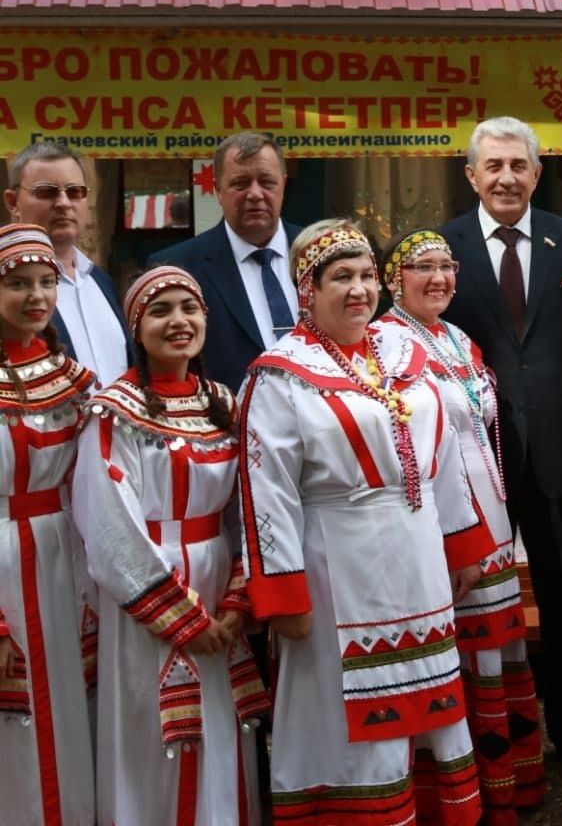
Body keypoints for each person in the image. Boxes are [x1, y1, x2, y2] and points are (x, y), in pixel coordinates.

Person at [238, 219, 494, 824]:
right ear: (308, 290)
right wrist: (282, 594)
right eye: (340, 278)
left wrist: (461, 546)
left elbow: (448, 457)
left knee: (427, 703)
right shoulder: (279, 374)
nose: (358, 290)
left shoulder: (406, 355)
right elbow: (264, 489)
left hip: (421, 558)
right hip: (337, 570)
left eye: (366, 276)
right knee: (346, 707)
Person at [440, 116, 562, 776]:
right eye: (494, 166)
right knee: (480, 603)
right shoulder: (443, 248)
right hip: (477, 461)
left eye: (519, 165)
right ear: (472, 176)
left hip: (561, 450)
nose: (507, 177)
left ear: (537, 173)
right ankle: (480, 742)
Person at [72, 266, 264, 825]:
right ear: (137, 327)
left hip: (218, 581)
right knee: (152, 727)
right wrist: (183, 617)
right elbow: (109, 525)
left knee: (223, 728)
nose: (178, 321)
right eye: (161, 311)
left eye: (189, 308)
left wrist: (234, 600)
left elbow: (243, 509)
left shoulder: (222, 403)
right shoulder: (115, 412)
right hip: (147, 598)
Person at [376, 228, 546, 823]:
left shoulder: (457, 338)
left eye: (447, 265)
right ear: (395, 278)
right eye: (424, 267)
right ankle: (455, 794)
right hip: (442, 515)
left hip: (491, 512)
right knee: (460, 650)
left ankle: (508, 784)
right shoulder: (384, 344)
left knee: (497, 649)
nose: (441, 277)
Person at [0, 223, 96, 825]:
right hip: (5, 564)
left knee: (70, 709)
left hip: (69, 561)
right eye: (17, 284)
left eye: (45, 283)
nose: (36, 296)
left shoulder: (75, 380)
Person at [150, 132, 301, 391]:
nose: (255, 194)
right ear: (218, 190)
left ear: (283, 185)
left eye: (267, 182)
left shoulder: (318, 250)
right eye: (241, 184)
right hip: (225, 423)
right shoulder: (178, 266)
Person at [5, 141, 129, 386]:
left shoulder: (100, 281)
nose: (63, 203)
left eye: (75, 192)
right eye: (46, 192)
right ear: (12, 202)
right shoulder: (4, 284)